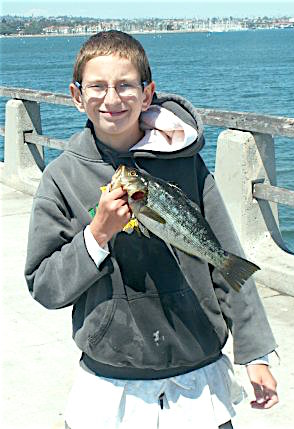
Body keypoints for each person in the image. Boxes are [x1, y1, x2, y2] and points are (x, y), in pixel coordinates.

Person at [24, 30, 278, 429]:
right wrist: (97, 236)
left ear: (147, 94)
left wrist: (255, 351)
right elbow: (44, 284)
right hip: (110, 384)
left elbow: (228, 262)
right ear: (76, 96)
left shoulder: (186, 164)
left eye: (125, 85)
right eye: (97, 86)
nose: (112, 99)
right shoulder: (62, 177)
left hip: (199, 379)